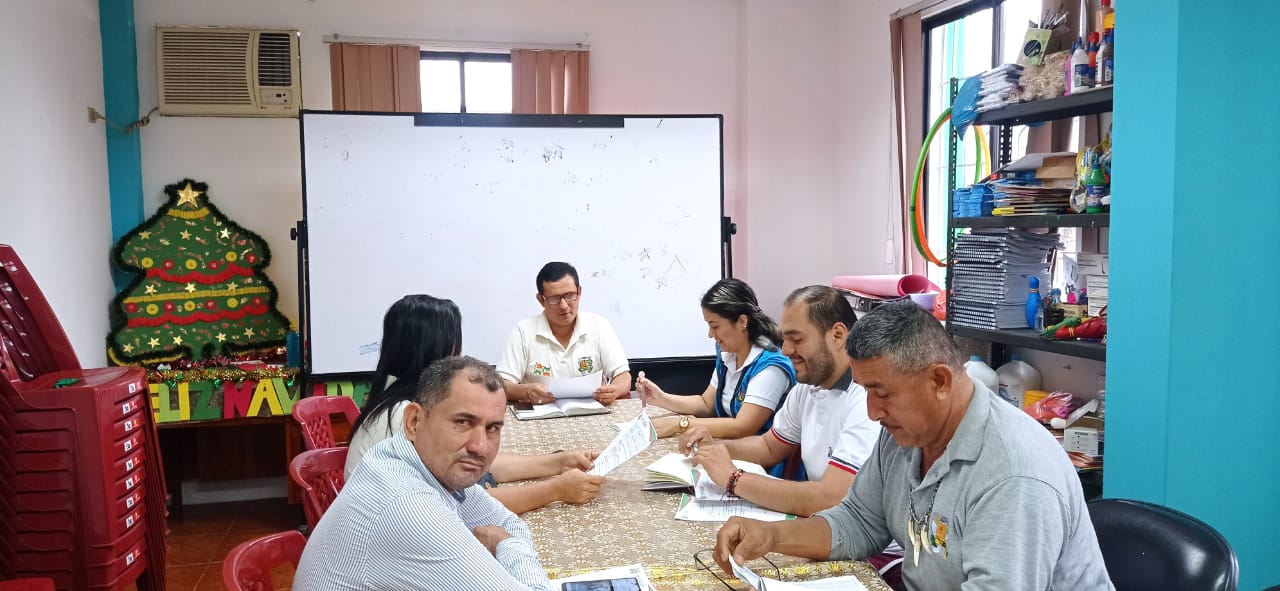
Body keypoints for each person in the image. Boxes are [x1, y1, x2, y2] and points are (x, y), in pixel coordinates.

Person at [713, 300, 1113, 590]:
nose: (872, 412)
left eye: (882, 393)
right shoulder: (906, 434)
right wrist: (771, 536)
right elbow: (858, 521)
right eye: (865, 391)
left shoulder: (1012, 475)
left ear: (939, 381)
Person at [295, 356, 553, 590]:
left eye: (493, 428)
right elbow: (508, 534)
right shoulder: (406, 503)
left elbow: (509, 524)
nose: (480, 447)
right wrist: (506, 544)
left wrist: (505, 540)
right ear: (414, 421)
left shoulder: (422, 464)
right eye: (463, 422)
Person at [347, 294, 604, 514]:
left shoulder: (397, 398)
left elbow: (478, 464)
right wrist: (556, 489)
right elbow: (466, 507)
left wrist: (559, 462)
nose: (457, 358)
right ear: (433, 350)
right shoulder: (405, 416)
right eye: (453, 348)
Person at [678, 286, 879, 517]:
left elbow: (830, 497)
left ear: (838, 335)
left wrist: (733, 478)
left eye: (797, 339)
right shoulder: (807, 388)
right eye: (785, 339)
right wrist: (716, 448)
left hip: (859, 534)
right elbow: (769, 446)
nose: (785, 350)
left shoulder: (867, 398)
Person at [636, 278, 797, 444]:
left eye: (715, 326)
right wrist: (661, 398)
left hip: (756, 455)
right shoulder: (728, 354)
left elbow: (743, 426)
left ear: (742, 322)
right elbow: (706, 404)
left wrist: (679, 424)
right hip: (727, 446)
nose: (710, 334)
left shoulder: (771, 367)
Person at [497, 262, 631, 405]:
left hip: (593, 412)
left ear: (579, 292)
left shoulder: (598, 326)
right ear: (541, 300)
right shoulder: (523, 331)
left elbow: (623, 376)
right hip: (540, 414)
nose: (563, 306)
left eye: (570, 296)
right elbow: (502, 385)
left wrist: (614, 391)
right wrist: (525, 391)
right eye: (554, 299)